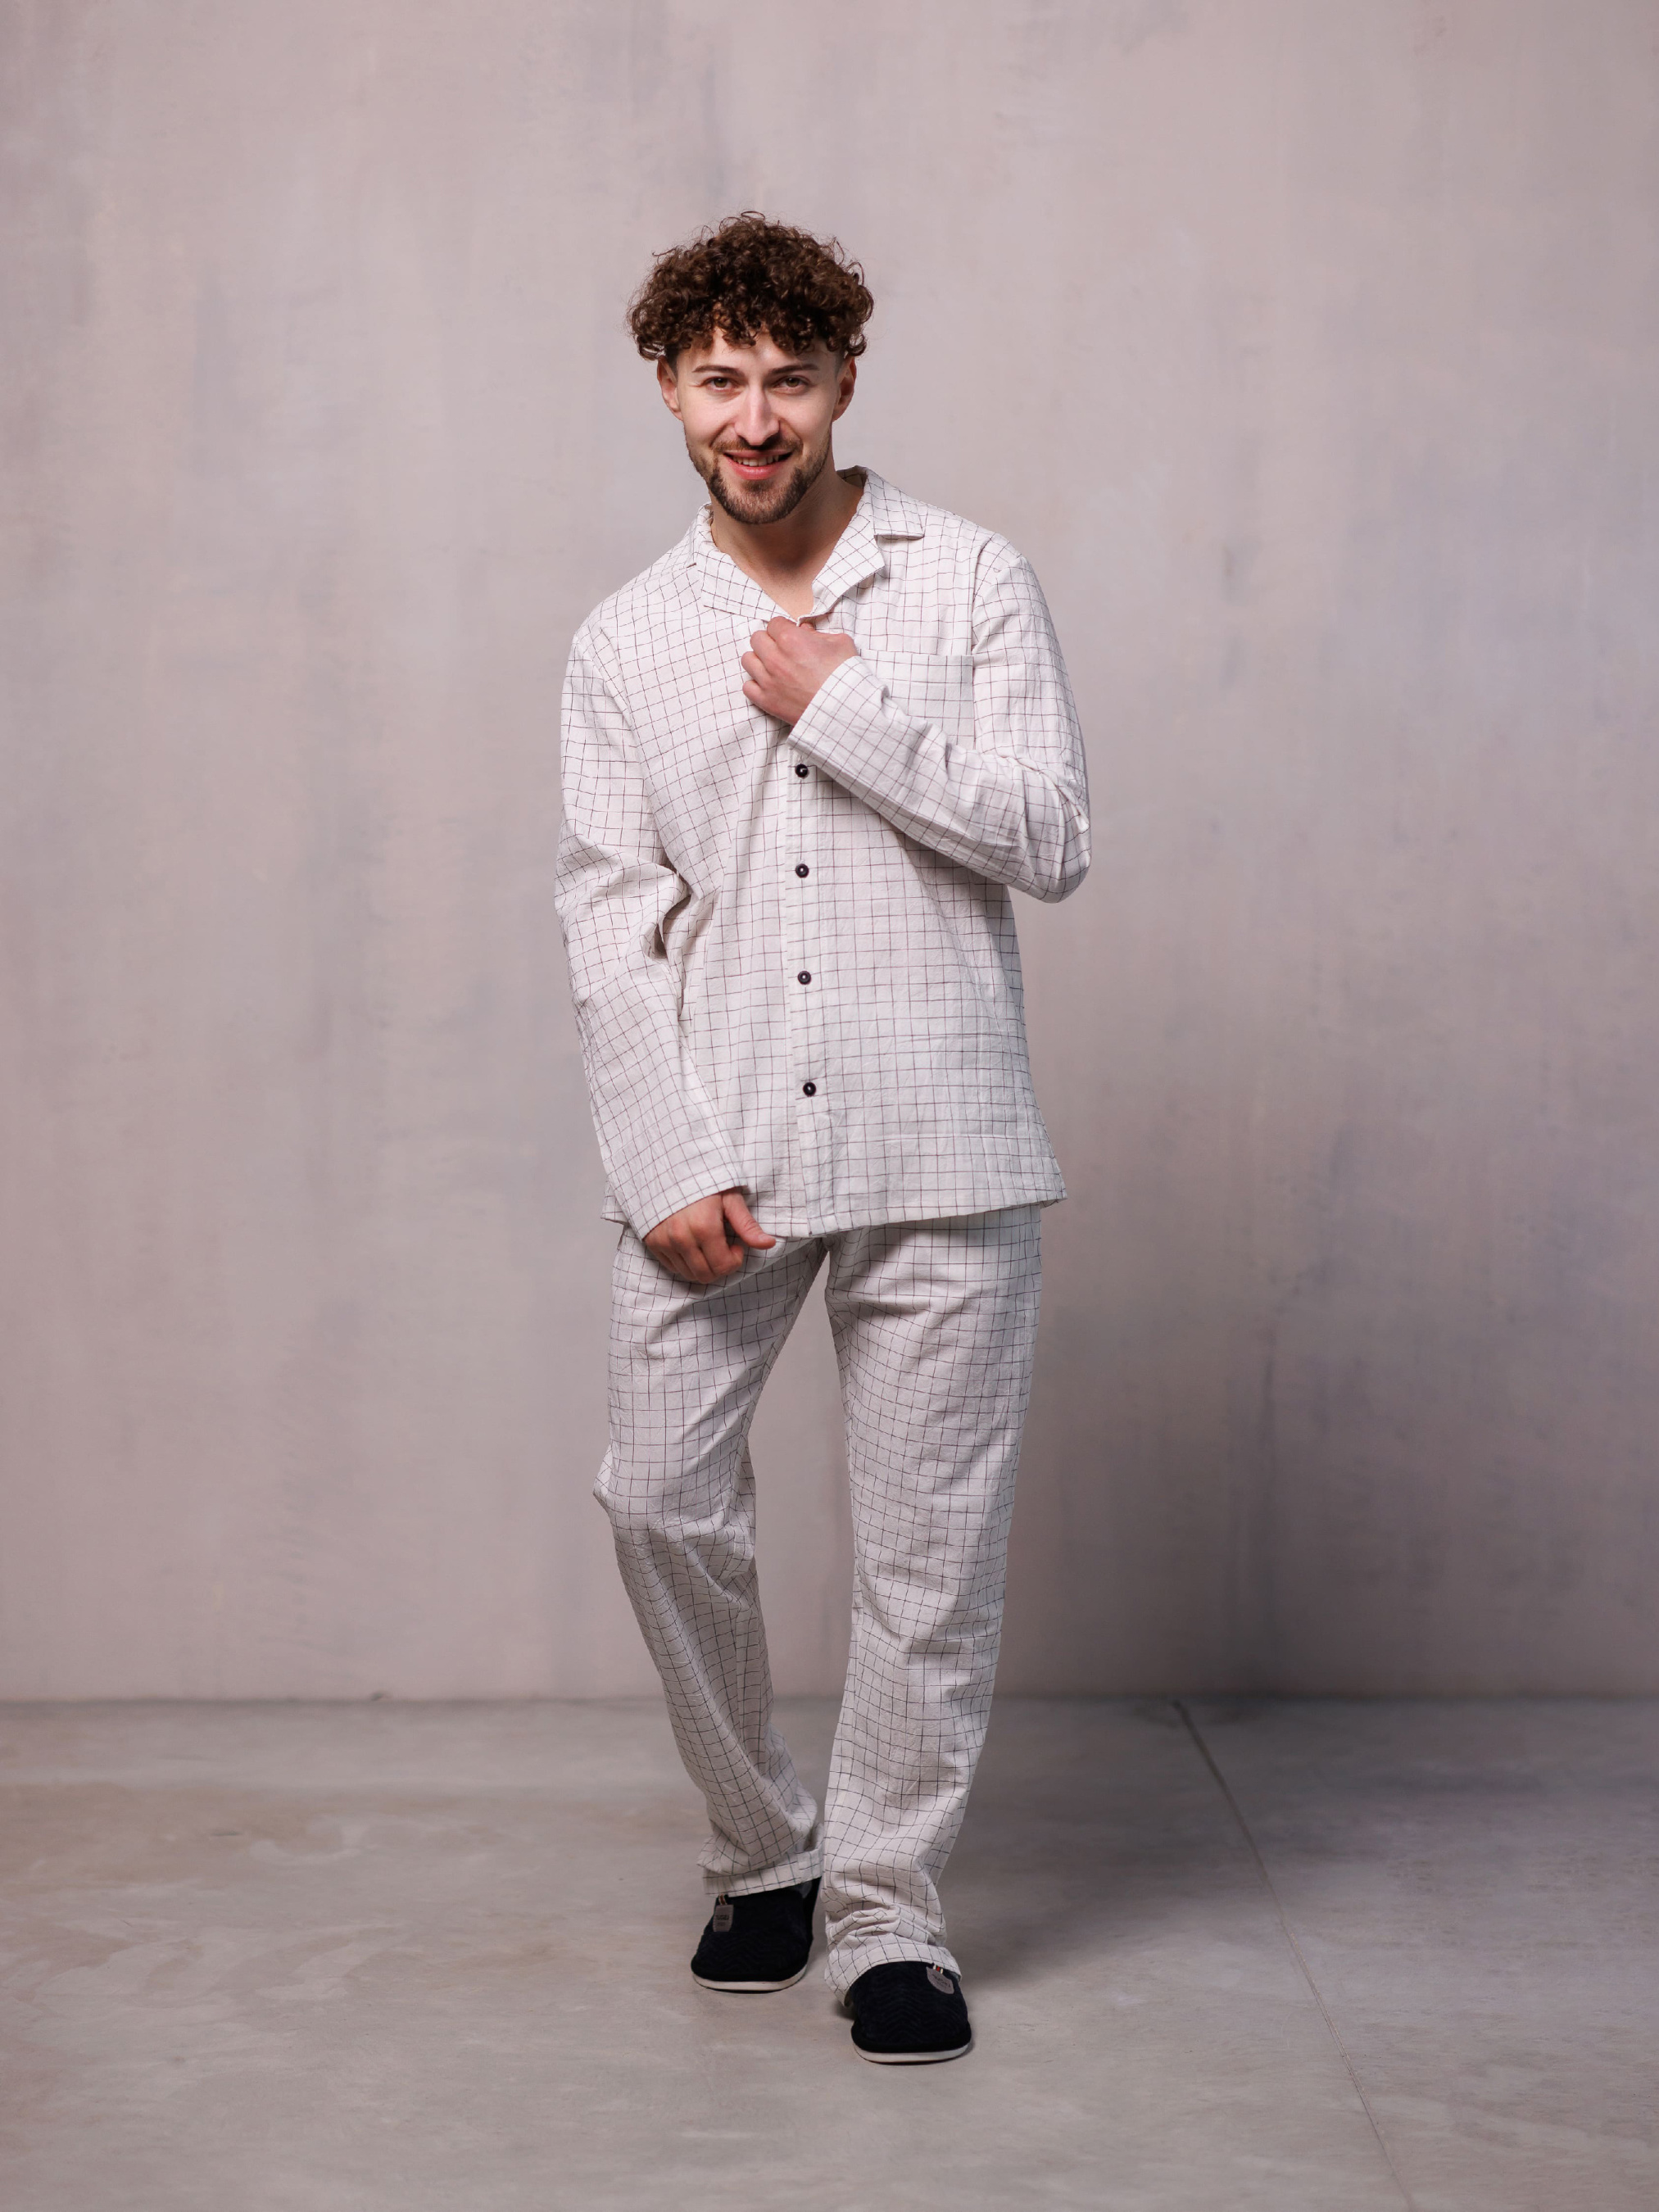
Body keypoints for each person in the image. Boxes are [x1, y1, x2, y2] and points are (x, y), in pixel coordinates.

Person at [554, 213, 1089, 2064]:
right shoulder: (625, 640)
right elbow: (607, 922)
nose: (756, 416)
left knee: (926, 1560)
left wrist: (839, 702)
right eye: (720, 378)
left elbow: (1051, 836)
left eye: (789, 377)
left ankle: (884, 1915)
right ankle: (762, 1847)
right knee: (656, 1498)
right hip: (720, 1156)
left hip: (947, 1143)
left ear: (845, 378)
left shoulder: (969, 577)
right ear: (668, 388)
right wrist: (660, 1160)